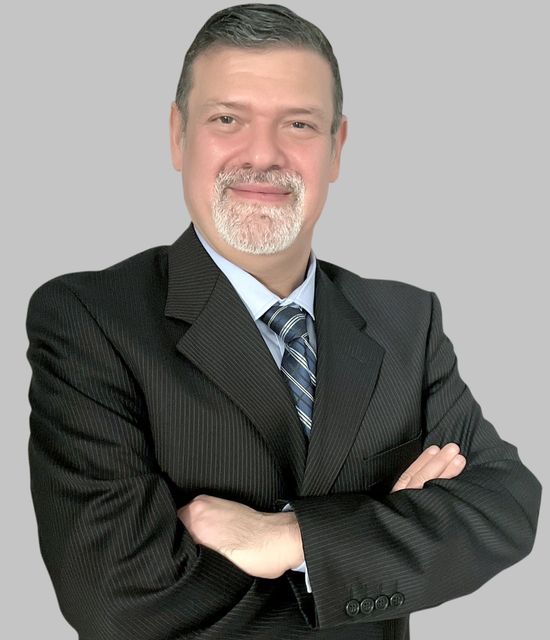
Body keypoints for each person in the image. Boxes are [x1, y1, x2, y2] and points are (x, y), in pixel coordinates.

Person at [25, 4, 541, 639]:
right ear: (178, 135)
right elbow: (116, 598)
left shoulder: (407, 321)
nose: (263, 155)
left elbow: (506, 507)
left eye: (298, 123)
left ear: (336, 148)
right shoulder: (91, 321)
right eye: (227, 119)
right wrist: (377, 535)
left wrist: (288, 539)